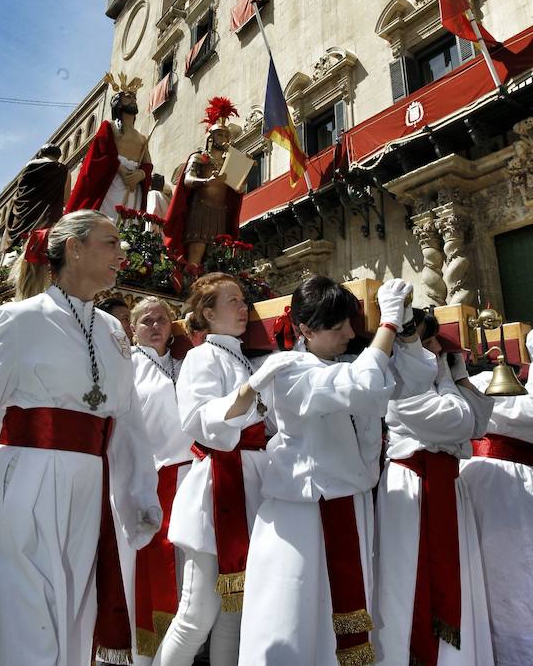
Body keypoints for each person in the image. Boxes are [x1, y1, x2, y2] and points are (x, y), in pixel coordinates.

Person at [0, 210, 160, 666]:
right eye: (111, 242)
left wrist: (139, 495)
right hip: (19, 485)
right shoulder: (17, 319)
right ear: (73, 248)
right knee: (21, 636)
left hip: (85, 494)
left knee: (72, 633)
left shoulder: (114, 331)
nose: (123, 252)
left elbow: (127, 421)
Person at [237, 275, 434, 666]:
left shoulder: (344, 363)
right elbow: (360, 386)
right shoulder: (288, 369)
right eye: (337, 325)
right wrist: (388, 326)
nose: (348, 333)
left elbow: (412, 382)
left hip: (350, 505)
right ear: (304, 329)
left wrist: (407, 329)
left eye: (350, 322)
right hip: (304, 515)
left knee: (342, 624)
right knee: (293, 620)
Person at [153, 272, 269, 666]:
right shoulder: (203, 356)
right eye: (233, 300)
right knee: (196, 614)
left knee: (235, 613)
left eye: (243, 300)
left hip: (250, 483)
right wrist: (251, 393)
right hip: (217, 487)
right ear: (207, 311)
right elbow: (200, 420)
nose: (243, 307)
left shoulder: (243, 356)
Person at [373, 308, 494, 666]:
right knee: (406, 582)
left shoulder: (437, 376)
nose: (434, 350)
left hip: (445, 485)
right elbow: (458, 423)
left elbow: (479, 423)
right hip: (411, 487)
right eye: (424, 342)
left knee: (458, 576)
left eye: (435, 342)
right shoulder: (400, 382)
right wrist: (443, 378)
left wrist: (459, 374)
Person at [458, 328, 533, 664]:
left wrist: (467, 385)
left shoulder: (505, 388)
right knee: (480, 577)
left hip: (511, 491)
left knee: (512, 578)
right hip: (475, 484)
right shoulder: (492, 377)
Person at [129, 297, 193, 662]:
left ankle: (182, 647)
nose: (155, 326)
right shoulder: (129, 368)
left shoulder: (185, 364)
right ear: (133, 329)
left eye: (162, 320)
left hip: (190, 476)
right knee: (150, 566)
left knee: (187, 567)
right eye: (146, 321)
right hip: (149, 477)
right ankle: (144, 651)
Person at [163, 99, 242, 267]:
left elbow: (238, 188)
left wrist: (242, 183)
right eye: (220, 135)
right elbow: (188, 180)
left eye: (226, 135)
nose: (224, 139)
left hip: (221, 213)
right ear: (211, 137)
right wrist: (207, 180)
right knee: (195, 258)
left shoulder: (230, 162)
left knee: (215, 262)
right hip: (200, 210)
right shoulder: (199, 157)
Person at [65, 73, 152, 221]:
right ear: (117, 102)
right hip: (112, 180)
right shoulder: (109, 127)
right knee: (106, 217)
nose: (132, 100)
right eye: (127, 97)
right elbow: (104, 152)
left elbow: (147, 164)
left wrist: (141, 175)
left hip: (132, 186)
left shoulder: (142, 138)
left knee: (128, 222)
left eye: (133, 98)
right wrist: (122, 171)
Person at [2, 144, 70, 252]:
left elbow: (20, 193)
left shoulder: (27, 168)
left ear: (40, 154)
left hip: (21, 219)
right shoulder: (62, 169)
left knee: (18, 252)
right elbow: (65, 199)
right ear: (58, 156)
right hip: (46, 220)